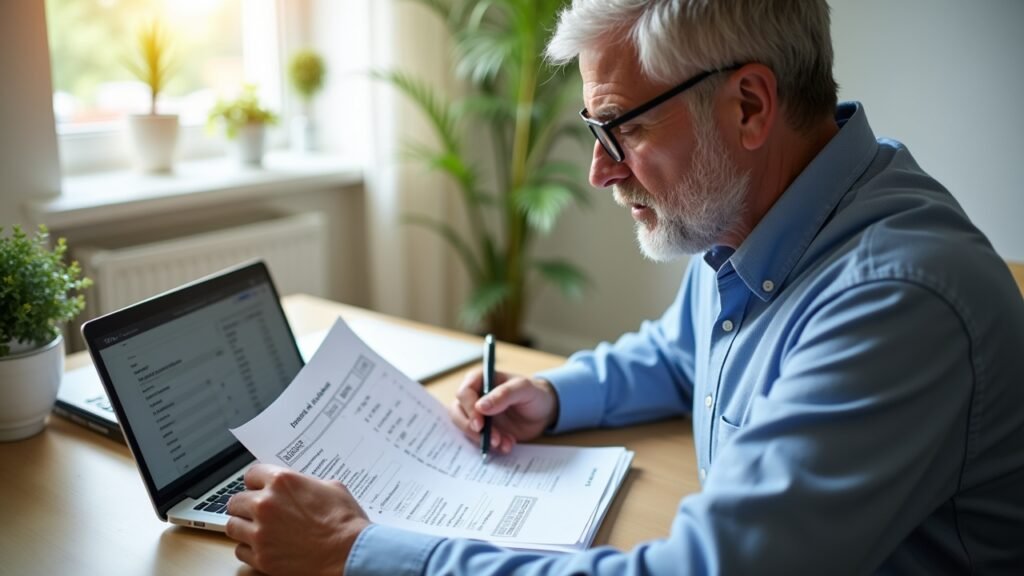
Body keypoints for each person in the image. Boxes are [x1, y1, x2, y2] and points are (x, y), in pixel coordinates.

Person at [225, 1, 1024, 574]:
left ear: (749, 106)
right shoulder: (764, 218)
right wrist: (554, 397)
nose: (599, 171)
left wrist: (357, 551)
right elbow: (680, 356)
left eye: (624, 127)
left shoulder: (895, 304)